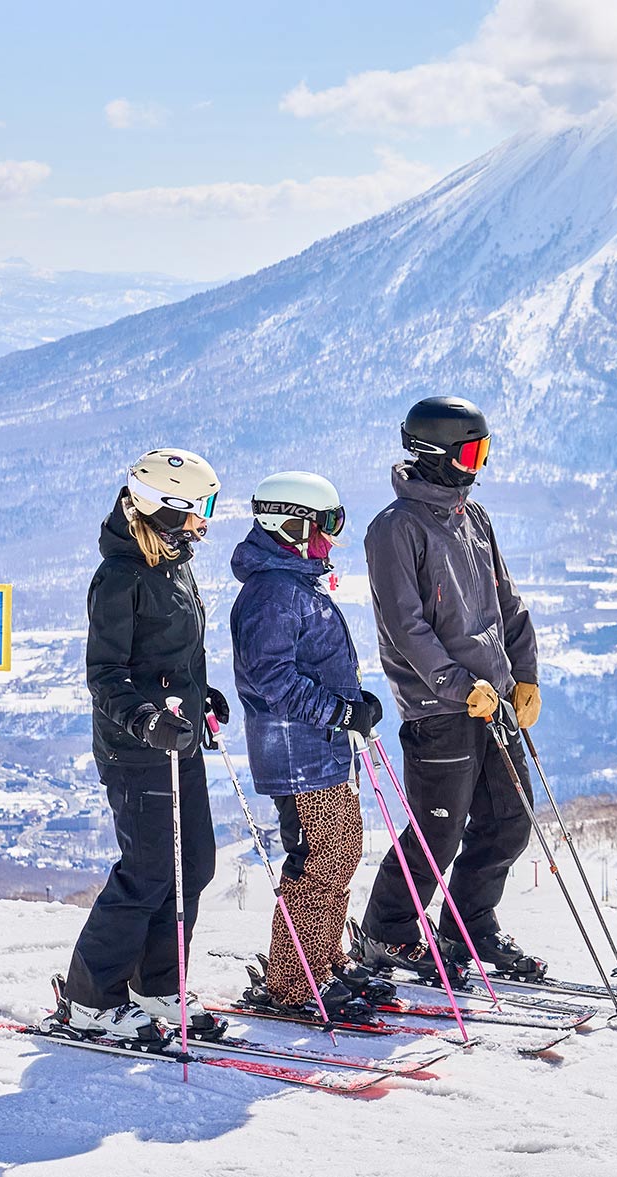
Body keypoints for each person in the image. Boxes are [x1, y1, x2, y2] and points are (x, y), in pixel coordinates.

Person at [350, 396, 546, 981]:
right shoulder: (394, 530)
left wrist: (525, 673)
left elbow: (506, 604)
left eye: (484, 451)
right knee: (439, 827)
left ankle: (468, 931)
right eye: (471, 452)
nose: (479, 464)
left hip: (496, 698)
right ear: (435, 454)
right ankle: (387, 933)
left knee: (509, 819)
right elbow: (405, 626)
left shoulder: (474, 517)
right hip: (441, 707)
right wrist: (459, 687)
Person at [57, 447, 229, 1041]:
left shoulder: (173, 561)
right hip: (136, 751)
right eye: (198, 508)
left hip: (180, 740)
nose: (205, 520)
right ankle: (90, 997)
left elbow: (177, 649)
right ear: (166, 506)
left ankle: (157, 987)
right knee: (149, 870)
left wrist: (201, 694)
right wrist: (146, 720)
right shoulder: (119, 577)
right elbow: (106, 674)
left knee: (195, 865)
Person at [228, 471, 394, 1019]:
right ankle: (294, 980)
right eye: (324, 525)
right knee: (318, 861)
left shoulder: (295, 584)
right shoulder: (272, 593)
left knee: (339, 855)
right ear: (290, 524)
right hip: (296, 755)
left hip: (322, 750)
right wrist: (340, 709)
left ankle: (322, 960)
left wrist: (352, 701)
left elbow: (312, 666)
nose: (329, 538)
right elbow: (272, 679)